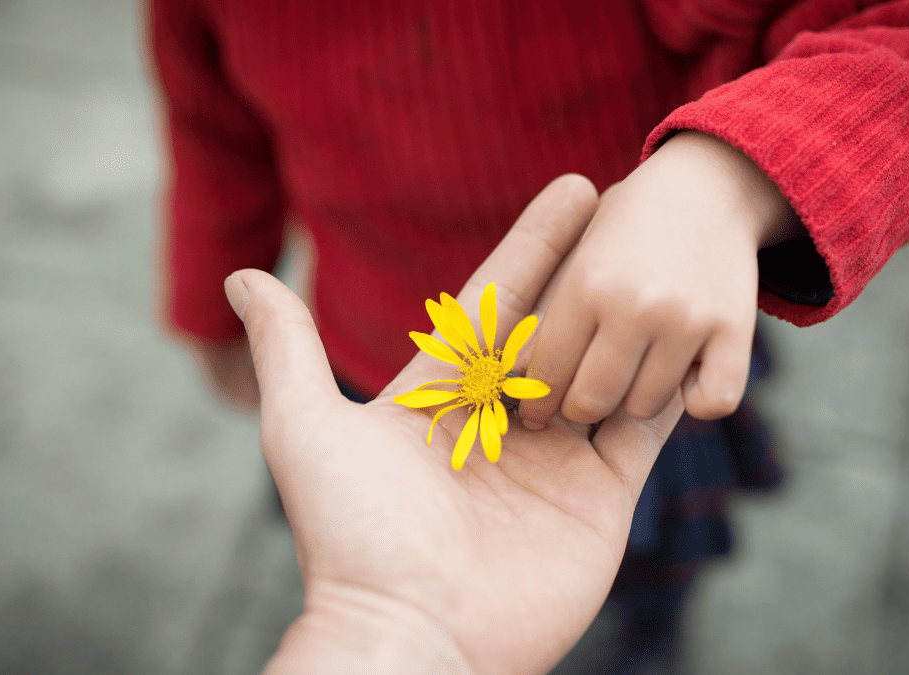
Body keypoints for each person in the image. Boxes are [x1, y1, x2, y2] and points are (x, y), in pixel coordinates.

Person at [149, 0, 909, 668]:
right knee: (368, 528)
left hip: (632, 376)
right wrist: (210, 302)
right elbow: (213, 130)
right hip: (378, 364)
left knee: (645, 543)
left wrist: (726, 181)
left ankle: (650, 623)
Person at [226, 178, 689, 673]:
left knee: (660, 530)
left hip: (622, 300)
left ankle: (656, 618)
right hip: (364, 344)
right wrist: (389, 623)